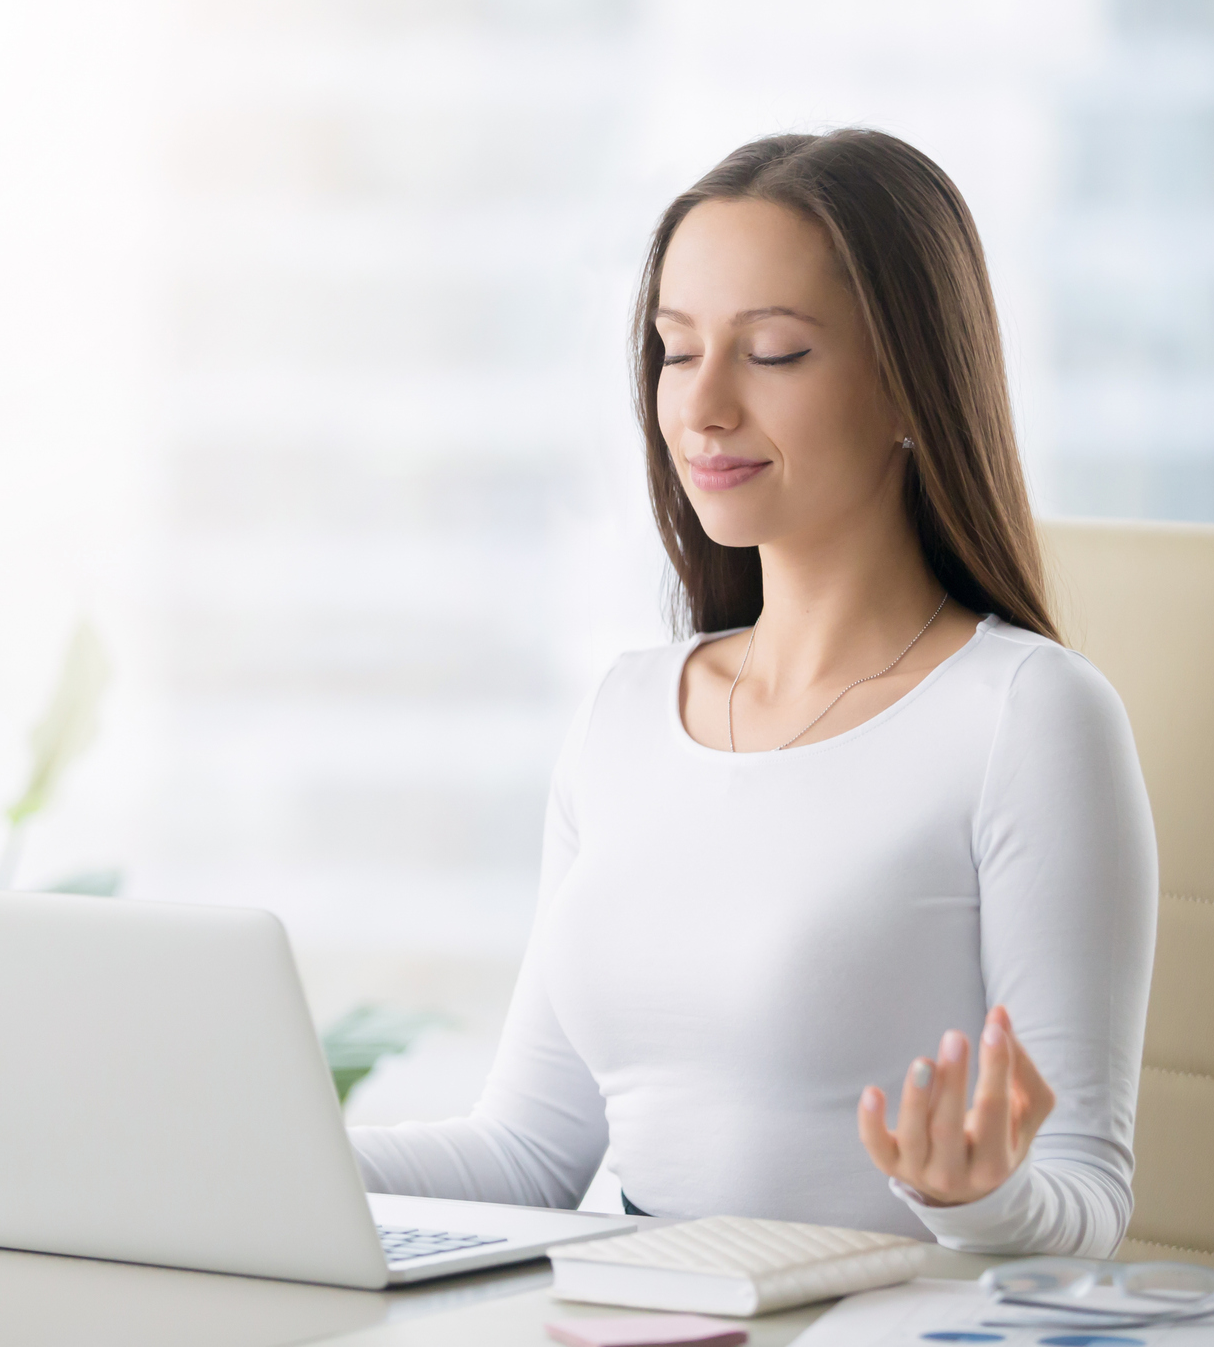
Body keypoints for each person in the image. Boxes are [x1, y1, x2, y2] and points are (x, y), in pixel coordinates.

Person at [348, 130, 1157, 1257]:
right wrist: (263, 1151)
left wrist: (980, 1198)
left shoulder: (1027, 716)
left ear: (911, 386)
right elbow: (527, 1156)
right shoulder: (623, 714)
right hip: (641, 1318)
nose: (703, 406)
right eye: (677, 351)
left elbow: (1088, 1201)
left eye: (773, 352)